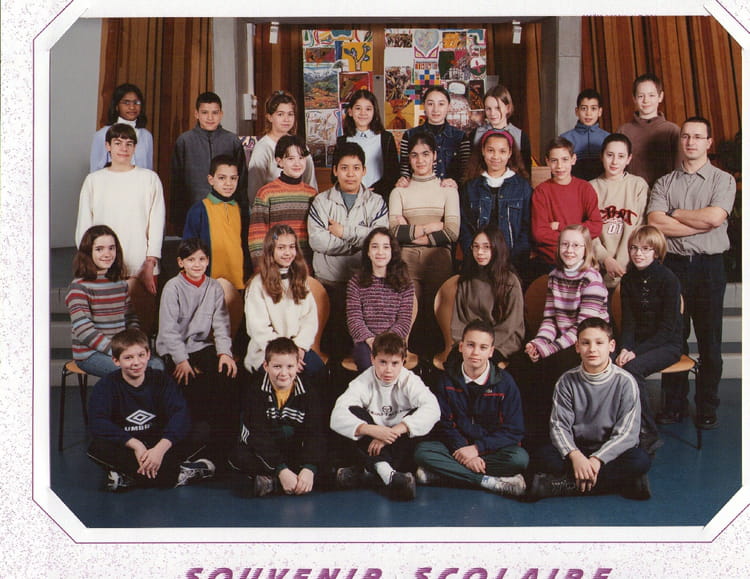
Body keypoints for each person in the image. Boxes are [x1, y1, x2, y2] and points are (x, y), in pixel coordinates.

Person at [647, 116, 736, 429]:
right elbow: (655, 222)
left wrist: (676, 214)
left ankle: (707, 406)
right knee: (674, 338)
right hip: (673, 267)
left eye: (698, 137)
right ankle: (674, 404)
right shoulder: (664, 183)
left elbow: (715, 218)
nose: (691, 142)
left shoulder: (723, 180)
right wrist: (697, 224)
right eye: (686, 136)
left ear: (708, 142)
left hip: (709, 267)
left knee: (710, 341)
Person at [527, 318, 651, 501]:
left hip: (609, 450)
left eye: (599, 343)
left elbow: (627, 434)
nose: (592, 349)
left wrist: (597, 459)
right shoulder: (566, 381)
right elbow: (559, 426)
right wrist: (576, 456)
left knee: (640, 460)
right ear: (577, 347)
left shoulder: (626, 382)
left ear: (611, 346)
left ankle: (562, 486)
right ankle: (622, 483)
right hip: (577, 447)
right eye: (585, 343)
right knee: (542, 456)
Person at [514, 224, 609, 449]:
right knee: (520, 362)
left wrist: (549, 349)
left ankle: (553, 436)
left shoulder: (592, 279)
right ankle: (527, 433)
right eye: (565, 244)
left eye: (576, 245)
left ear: (586, 249)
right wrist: (538, 343)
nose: (569, 250)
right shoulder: (554, 276)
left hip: (587, 344)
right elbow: (550, 319)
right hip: (562, 340)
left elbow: (582, 330)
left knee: (553, 366)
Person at [87, 328, 215, 491]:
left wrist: (159, 450)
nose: (136, 362)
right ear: (116, 361)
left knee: (202, 430)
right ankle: (175, 474)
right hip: (128, 445)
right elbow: (98, 422)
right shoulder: (106, 386)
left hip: (159, 441)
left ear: (148, 355)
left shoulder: (161, 380)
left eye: (141, 355)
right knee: (97, 447)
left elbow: (180, 414)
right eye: (128, 357)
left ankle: (131, 477)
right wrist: (136, 445)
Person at [414, 320, 528, 497]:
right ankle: (488, 481)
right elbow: (443, 424)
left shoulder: (505, 383)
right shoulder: (446, 380)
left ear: (491, 352)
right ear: (461, 347)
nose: (475, 352)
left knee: (519, 459)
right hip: (457, 448)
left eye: (483, 347)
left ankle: (443, 474)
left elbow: (514, 430)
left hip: (491, 450)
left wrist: (476, 449)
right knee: (423, 452)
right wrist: (465, 452)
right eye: (470, 345)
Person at [75, 123, 165, 337]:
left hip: (140, 265)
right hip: (103, 266)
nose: (124, 148)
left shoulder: (149, 178)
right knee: (108, 332)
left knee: (140, 331)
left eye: (129, 144)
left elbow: (156, 221)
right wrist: (91, 265)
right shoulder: (94, 180)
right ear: (108, 146)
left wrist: (150, 262)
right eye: (118, 143)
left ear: (135, 147)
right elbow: (84, 226)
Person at [330, 332, 440, 501]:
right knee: (353, 412)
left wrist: (394, 431)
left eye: (395, 363)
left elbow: (433, 408)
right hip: (372, 442)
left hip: (399, 444)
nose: (388, 370)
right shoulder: (363, 381)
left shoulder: (409, 380)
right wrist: (371, 430)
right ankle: (389, 475)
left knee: (420, 415)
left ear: (403, 362)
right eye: (382, 362)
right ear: (372, 359)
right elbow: (337, 415)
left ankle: (369, 471)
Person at [308, 142, 389, 358]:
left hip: (366, 285)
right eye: (344, 168)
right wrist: (358, 243)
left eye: (356, 168)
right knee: (331, 347)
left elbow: (380, 239)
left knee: (361, 349)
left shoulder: (377, 202)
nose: (350, 174)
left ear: (364, 170)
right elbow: (318, 241)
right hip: (328, 282)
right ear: (335, 170)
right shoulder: (321, 201)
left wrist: (343, 232)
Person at [228, 337, 327, 497]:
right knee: (239, 457)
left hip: (293, 449)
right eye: (277, 366)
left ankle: (276, 482)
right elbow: (258, 436)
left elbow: (315, 432)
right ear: (266, 366)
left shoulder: (308, 392)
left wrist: (309, 468)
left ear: (298, 366)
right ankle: (280, 480)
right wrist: (281, 470)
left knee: (323, 453)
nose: (283, 373)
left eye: (290, 366)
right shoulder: (255, 392)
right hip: (264, 449)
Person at [389, 131, 460, 353]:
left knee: (437, 315)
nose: (420, 160)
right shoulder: (399, 191)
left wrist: (411, 230)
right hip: (406, 257)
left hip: (439, 257)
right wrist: (430, 227)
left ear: (435, 156)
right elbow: (393, 232)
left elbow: (452, 232)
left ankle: (435, 363)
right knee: (407, 314)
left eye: (425, 154)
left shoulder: (448, 190)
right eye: (414, 155)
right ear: (408, 159)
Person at [615, 225, 682, 454]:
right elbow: (629, 323)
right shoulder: (628, 280)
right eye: (634, 248)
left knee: (632, 368)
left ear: (656, 252)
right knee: (609, 363)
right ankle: (617, 427)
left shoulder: (668, 279)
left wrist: (635, 352)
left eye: (645, 249)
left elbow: (667, 329)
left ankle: (648, 433)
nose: (638, 253)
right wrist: (625, 348)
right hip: (638, 343)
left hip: (667, 344)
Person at [66, 225, 164, 376]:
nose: (107, 254)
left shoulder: (119, 284)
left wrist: (134, 345)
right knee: (133, 370)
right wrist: (120, 352)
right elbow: (84, 331)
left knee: (157, 365)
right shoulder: (79, 287)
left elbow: (131, 319)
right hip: (90, 354)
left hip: (122, 350)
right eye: (99, 249)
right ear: (88, 252)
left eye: (111, 248)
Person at [244, 225, 323, 380]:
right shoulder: (258, 284)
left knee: (319, 372)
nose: (287, 253)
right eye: (281, 248)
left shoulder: (300, 279)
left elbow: (309, 319)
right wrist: (286, 357)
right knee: (286, 377)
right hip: (267, 351)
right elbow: (259, 329)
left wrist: (299, 348)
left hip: (297, 348)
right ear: (271, 250)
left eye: (291, 247)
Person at [170, 91, 247, 230]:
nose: (210, 117)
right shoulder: (185, 141)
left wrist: (242, 213)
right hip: (194, 210)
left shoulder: (232, 141)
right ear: (196, 114)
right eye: (205, 112)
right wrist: (178, 219)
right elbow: (177, 183)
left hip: (226, 211)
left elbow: (241, 182)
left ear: (221, 114)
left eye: (215, 113)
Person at [529, 136, 602, 280]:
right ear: (547, 161)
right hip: (551, 261)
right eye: (554, 160)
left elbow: (596, 227)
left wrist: (560, 226)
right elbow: (539, 233)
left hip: (580, 260)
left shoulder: (585, 188)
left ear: (573, 159)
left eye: (564, 159)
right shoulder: (541, 191)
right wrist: (576, 239)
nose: (559, 166)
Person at [449, 227, 524, 366]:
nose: (480, 252)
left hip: (502, 341)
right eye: (476, 247)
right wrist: (467, 344)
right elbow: (458, 320)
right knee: (454, 363)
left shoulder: (510, 281)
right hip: (471, 340)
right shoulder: (466, 279)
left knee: (484, 366)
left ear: (497, 249)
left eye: (486, 247)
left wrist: (485, 344)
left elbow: (511, 324)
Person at [459, 129, 532, 271]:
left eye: (502, 151)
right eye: (490, 150)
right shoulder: (471, 187)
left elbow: (527, 228)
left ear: (510, 153)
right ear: (483, 151)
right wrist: (474, 254)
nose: (496, 156)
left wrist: (512, 259)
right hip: (477, 261)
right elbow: (464, 226)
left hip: (513, 262)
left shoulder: (522, 187)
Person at [346, 227, 415, 371]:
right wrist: (371, 340)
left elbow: (404, 321)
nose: (380, 252)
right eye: (375, 247)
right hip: (365, 342)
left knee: (389, 367)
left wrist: (385, 341)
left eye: (386, 247)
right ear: (368, 252)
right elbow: (354, 319)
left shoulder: (405, 283)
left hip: (394, 341)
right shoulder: (355, 282)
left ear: (392, 251)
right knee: (370, 367)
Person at [248, 135, 317, 271]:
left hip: (305, 267)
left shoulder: (312, 194)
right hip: (274, 268)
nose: (297, 163)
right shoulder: (266, 193)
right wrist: (262, 268)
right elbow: (257, 237)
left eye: (301, 158)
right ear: (279, 161)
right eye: (290, 158)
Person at [183, 154, 249, 295]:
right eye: (222, 178)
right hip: (207, 283)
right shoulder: (199, 210)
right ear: (211, 179)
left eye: (233, 178)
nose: (228, 183)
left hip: (238, 282)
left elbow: (245, 245)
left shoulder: (242, 210)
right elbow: (188, 249)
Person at [589, 133, 648, 289]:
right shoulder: (590, 187)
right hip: (598, 270)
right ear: (601, 156)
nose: (615, 161)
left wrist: (622, 265)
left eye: (621, 156)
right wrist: (605, 259)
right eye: (610, 155)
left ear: (629, 159)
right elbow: (587, 231)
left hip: (631, 269)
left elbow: (641, 228)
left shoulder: (638, 185)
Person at [247, 90, 317, 207]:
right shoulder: (263, 148)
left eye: (290, 114)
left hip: (301, 206)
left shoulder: (300, 146)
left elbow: (310, 181)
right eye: (280, 114)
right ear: (270, 117)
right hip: (272, 207)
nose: (286, 119)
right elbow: (254, 190)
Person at [617, 73, 681, 187]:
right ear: (634, 98)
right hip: (632, 192)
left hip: (665, 192)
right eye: (641, 96)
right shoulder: (624, 131)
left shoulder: (672, 131)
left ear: (660, 97)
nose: (646, 100)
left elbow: (680, 170)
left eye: (651, 95)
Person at [398, 85, 470, 183]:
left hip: (451, 190)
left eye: (441, 104)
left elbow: (466, 172)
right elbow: (405, 171)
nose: (436, 109)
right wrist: (404, 181)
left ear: (448, 106)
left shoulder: (460, 137)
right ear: (424, 106)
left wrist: (454, 184)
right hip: (419, 190)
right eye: (430, 104)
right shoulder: (409, 135)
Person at [336, 89, 399, 202]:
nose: (363, 113)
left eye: (368, 109)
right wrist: (355, 189)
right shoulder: (342, 141)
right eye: (358, 108)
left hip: (380, 197)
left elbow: (393, 173)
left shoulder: (386, 138)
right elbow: (335, 175)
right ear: (350, 112)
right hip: (350, 197)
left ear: (374, 112)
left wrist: (375, 190)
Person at [469, 84, 532, 173]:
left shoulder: (521, 137)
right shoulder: (475, 134)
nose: (492, 113)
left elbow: (526, 172)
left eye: (497, 108)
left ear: (508, 108)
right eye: (488, 109)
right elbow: (469, 169)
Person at [90, 82, 153, 171]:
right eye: (126, 102)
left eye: (136, 102)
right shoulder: (102, 135)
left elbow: (148, 169)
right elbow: (95, 170)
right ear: (116, 106)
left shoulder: (146, 136)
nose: (132, 107)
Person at [560, 88, 610, 181]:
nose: (588, 113)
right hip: (574, 185)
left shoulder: (608, 138)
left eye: (593, 108)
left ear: (600, 112)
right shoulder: (565, 139)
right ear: (577, 111)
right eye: (584, 108)